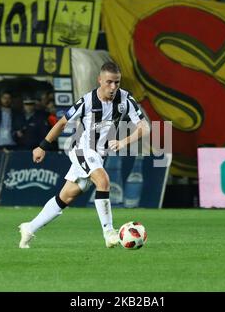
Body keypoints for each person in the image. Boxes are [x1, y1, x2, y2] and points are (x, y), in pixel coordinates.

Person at [18, 62, 149, 249]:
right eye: (109, 82)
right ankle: (109, 232)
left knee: (66, 197)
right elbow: (62, 123)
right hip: (82, 150)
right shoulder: (87, 101)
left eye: (117, 83)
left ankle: (29, 228)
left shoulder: (125, 100)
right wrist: (42, 146)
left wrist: (123, 142)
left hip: (99, 154)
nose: (113, 88)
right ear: (100, 80)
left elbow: (145, 127)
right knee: (103, 181)